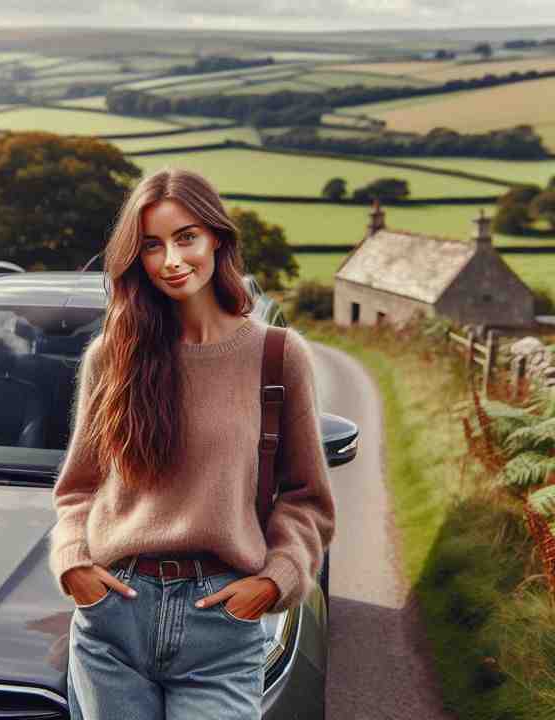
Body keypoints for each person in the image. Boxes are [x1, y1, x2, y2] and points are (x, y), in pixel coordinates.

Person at [48, 167, 336, 720]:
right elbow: (78, 490)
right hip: (116, 618)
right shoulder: (113, 356)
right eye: (152, 246)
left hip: (221, 624)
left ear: (217, 238)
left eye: (186, 238)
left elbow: (306, 498)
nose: (172, 261)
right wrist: (74, 567)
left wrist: (274, 582)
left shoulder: (278, 356)